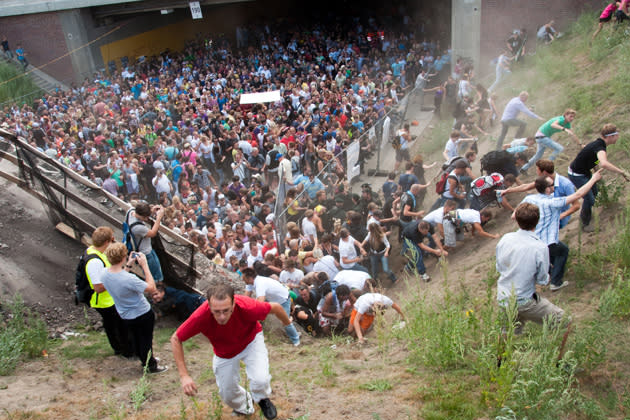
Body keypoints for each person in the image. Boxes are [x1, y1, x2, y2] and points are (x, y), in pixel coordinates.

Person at [171, 284, 293, 419]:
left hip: (250, 341)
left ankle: (262, 399)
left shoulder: (248, 306)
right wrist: (184, 376)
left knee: (260, 379)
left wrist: (288, 323)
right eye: (216, 311)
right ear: (209, 307)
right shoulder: (201, 316)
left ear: (233, 305)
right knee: (227, 394)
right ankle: (246, 405)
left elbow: (276, 307)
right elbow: (176, 339)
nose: (221, 316)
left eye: (225, 310)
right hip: (224, 351)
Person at [521, 171, 603, 290]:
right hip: (547, 240)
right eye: (551, 185)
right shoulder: (552, 202)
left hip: (532, 239)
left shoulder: (529, 199)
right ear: (547, 189)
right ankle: (556, 282)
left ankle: (549, 274)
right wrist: (593, 179)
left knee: (550, 254)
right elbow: (578, 195)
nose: (554, 186)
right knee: (562, 251)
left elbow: (514, 215)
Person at [496, 203, 568, 335]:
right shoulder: (539, 247)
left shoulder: (505, 239)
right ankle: (558, 354)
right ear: (538, 221)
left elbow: (499, 266)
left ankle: (503, 355)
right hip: (524, 299)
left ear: (517, 220)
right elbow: (542, 279)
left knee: (508, 333)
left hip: (503, 296)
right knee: (563, 321)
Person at [101, 243, 167, 373]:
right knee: (146, 339)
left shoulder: (104, 273)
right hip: (141, 312)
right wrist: (145, 265)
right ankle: (150, 365)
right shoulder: (129, 279)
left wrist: (129, 265)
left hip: (125, 313)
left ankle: (142, 357)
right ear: (123, 257)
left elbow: (119, 277)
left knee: (136, 337)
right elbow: (151, 288)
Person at [568, 123, 630, 232]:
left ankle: (586, 214)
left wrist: (596, 172)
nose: (618, 137)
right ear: (610, 136)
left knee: (595, 195)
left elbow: (594, 159)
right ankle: (585, 224)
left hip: (585, 172)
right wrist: (622, 172)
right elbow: (604, 163)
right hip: (576, 175)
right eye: (617, 135)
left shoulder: (599, 145)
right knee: (589, 199)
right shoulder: (600, 147)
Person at [83, 227, 131, 358]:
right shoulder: (94, 261)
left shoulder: (97, 252)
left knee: (114, 325)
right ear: (106, 242)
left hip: (110, 298)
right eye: (112, 240)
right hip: (104, 301)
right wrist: (116, 279)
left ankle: (120, 348)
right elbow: (98, 287)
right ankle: (124, 350)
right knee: (118, 327)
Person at [501, 159, 577, 228]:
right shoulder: (546, 180)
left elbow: (576, 205)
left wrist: (561, 216)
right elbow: (527, 186)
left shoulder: (565, 185)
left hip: (557, 220)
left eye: (537, 170)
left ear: (544, 172)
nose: (536, 172)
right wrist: (508, 190)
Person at [242, 267, 301, 346]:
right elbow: (245, 298)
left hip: (283, 300)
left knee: (284, 321)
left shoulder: (260, 283)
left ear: (249, 278)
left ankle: (296, 339)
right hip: (273, 299)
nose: (242, 279)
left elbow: (260, 302)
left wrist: (254, 316)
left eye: (243, 277)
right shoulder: (250, 283)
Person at [520, 109, 581, 174]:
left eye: (573, 117)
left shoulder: (567, 124)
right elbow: (553, 125)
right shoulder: (561, 119)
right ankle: (547, 166)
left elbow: (573, 134)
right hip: (542, 137)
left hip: (541, 137)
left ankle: (523, 169)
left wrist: (580, 144)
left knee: (538, 156)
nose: (572, 118)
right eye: (570, 116)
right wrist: (564, 129)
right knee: (559, 148)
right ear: (565, 115)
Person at [127, 202, 165, 282]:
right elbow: (153, 233)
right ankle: (156, 288)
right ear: (142, 216)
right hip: (146, 253)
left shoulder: (130, 211)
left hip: (145, 249)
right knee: (156, 275)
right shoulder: (137, 228)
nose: (147, 219)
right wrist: (159, 218)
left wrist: (151, 211)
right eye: (146, 217)